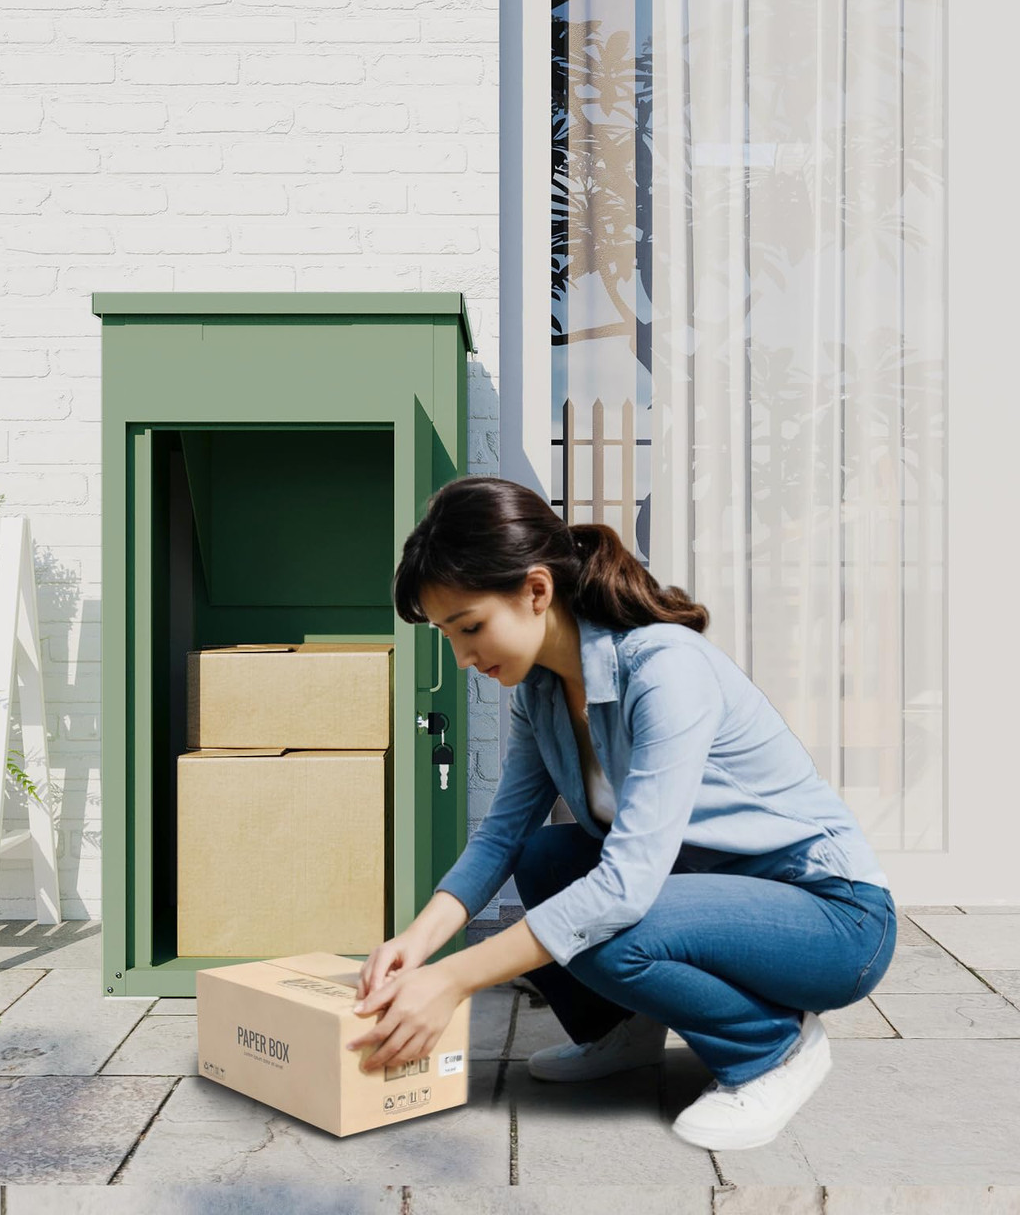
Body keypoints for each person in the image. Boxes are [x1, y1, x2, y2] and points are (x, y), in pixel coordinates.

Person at [345, 476, 896, 1151]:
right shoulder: (539, 693)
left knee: (608, 925)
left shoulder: (664, 669)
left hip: (833, 915)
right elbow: (500, 837)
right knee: (544, 860)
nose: (463, 659)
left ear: (536, 590)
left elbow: (627, 886)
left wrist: (451, 981)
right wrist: (418, 943)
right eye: (448, 637)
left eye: (470, 628)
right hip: (696, 890)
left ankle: (772, 1050)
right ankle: (623, 1029)